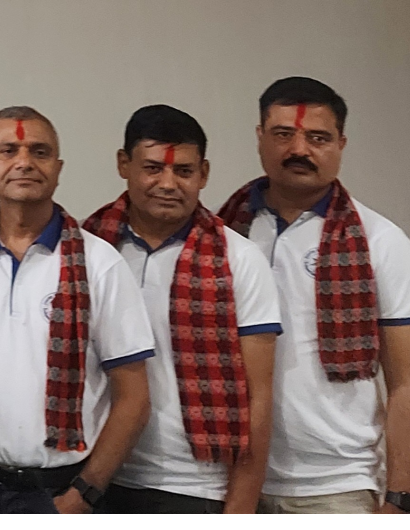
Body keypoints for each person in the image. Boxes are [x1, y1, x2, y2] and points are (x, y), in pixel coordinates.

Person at [0, 106, 155, 514]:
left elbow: (134, 396)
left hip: (59, 491)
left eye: (39, 151)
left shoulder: (99, 263)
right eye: (8, 150)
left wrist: (84, 493)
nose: (24, 162)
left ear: (58, 167)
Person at [215, 77, 409, 514]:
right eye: (283, 134)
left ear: (341, 144)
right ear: (260, 137)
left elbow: (405, 382)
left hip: (337, 484)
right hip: (226, 475)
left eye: (318, 138)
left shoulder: (380, 241)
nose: (299, 149)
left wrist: (400, 497)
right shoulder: (223, 234)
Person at [83, 105, 280, 513]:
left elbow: (259, 395)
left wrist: (240, 508)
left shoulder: (240, 260)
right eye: (153, 168)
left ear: (204, 174)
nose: (168, 184)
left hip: (197, 488)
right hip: (96, 477)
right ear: (123, 164)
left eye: (184, 171)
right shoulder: (89, 250)